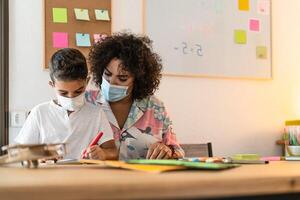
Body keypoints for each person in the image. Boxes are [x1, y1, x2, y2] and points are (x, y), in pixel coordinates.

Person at [87, 32, 185, 160]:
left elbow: (177, 151)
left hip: (143, 179)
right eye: (107, 74)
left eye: (122, 78)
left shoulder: (155, 107)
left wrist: (168, 150)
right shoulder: (86, 101)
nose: (112, 82)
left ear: (138, 79)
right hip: (97, 179)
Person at [15, 48, 117, 160]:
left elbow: (113, 152)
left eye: (78, 91)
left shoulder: (96, 114)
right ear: (52, 85)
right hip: (49, 175)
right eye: (63, 93)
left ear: (87, 82)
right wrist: (41, 155)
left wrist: (103, 153)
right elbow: (19, 153)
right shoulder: (39, 113)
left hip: (84, 175)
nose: (71, 97)